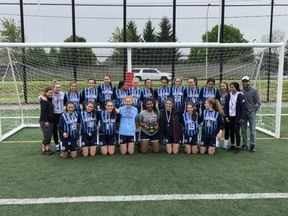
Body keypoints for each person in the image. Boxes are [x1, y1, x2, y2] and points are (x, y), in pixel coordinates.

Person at [241, 76, 261, 152]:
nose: (245, 83)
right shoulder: (241, 90)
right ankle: (244, 144)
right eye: (244, 81)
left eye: (246, 81)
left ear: (249, 81)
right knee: (243, 130)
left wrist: (253, 110)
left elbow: (258, 102)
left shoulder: (254, 90)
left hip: (251, 114)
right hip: (243, 114)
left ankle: (252, 145)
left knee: (252, 130)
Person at [224, 82, 246, 154]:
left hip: (237, 116)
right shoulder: (228, 96)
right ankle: (232, 145)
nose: (231, 88)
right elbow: (226, 107)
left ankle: (238, 146)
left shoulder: (240, 95)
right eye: (230, 87)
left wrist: (242, 117)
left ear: (236, 88)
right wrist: (226, 116)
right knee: (231, 131)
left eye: (233, 87)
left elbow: (243, 108)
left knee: (236, 131)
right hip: (230, 116)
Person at [39, 86, 54, 155]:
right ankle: (43, 149)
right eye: (49, 93)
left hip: (50, 120)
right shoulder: (44, 100)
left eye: (51, 93)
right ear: (46, 92)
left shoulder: (49, 99)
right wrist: (45, 121)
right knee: (47, 135)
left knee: (50, 134)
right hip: (45, 121)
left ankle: (47, 148)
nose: (50, 94)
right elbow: (43, 111)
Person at [51, 80, 65, 152]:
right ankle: (57, 145)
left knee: (61, 129)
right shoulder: (51, 94)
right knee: (54, 130)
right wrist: (42, 97)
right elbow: (41, 97)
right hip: (54, 114)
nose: (58, 89)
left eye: (59, 87)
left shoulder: (63, 94)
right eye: (56, 87)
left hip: (61, 114)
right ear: (53, 88)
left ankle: (62, 143)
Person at [219, 81, 230, 149]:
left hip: (228, 113)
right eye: (221, 86)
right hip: (220, 113)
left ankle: (225, 144)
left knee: (227, 128)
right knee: (219, 127)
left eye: (224, 86)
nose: (222, 87)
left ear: (227, 86)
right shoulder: (218, 94)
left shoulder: (230, 94)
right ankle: (217, 142)